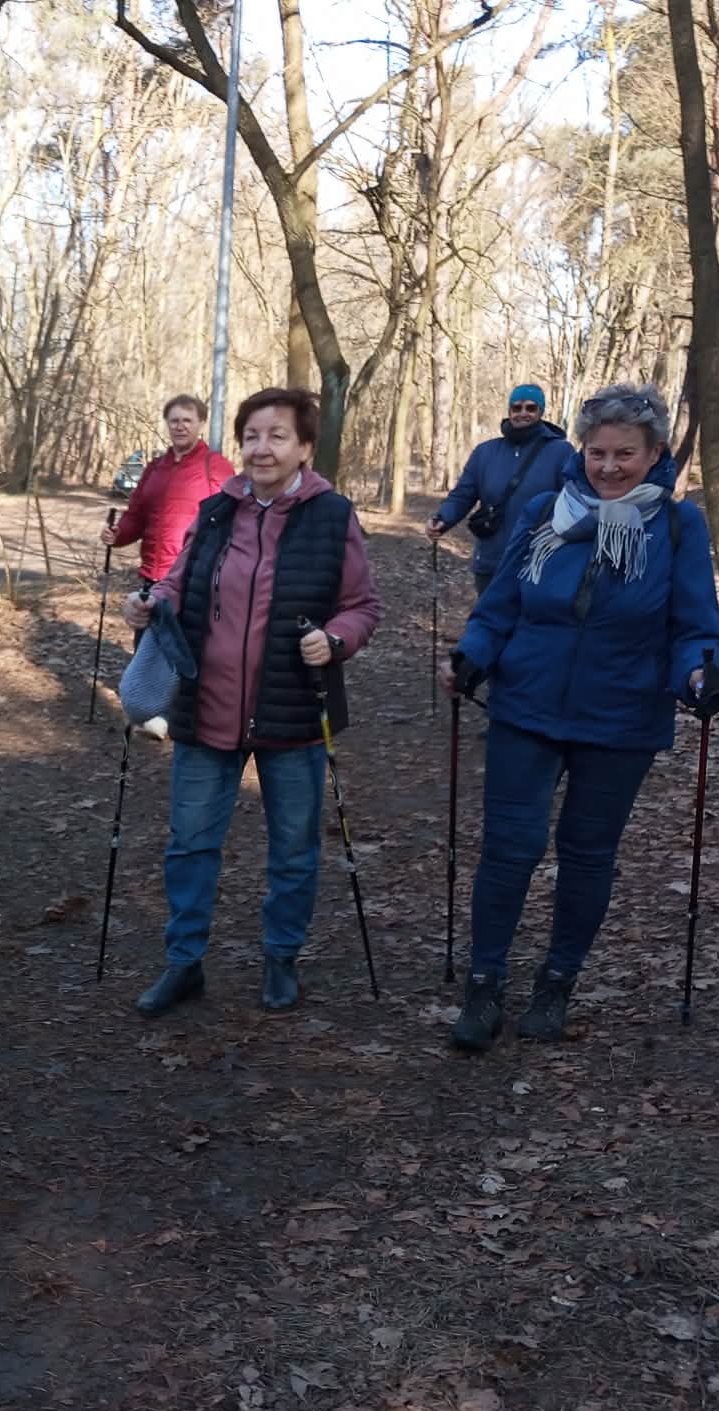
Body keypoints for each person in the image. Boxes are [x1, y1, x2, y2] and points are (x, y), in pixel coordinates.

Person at [437, 382, 719, 1052]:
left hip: (621, 716)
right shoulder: (546, 511)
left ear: (654, 454)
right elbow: (500, 607)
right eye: (597, 452)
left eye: (625, 454)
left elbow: (694, 626)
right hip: (527, 704)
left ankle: (556, 985)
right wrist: (471, 656)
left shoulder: (676, 526)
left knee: (588, 853)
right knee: (509, 848)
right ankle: (484, 985)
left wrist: (700, 673)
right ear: (581, 450)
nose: (608, 467)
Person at [122, 387, 382, 1017]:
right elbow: (176, 584)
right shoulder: (216, 511)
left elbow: (362, 606)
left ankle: (280, 958)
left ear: (305, 448)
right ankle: (184, 963)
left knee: (293, 848)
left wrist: (336, 639)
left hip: (293, 710)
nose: (261, 448)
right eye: (251, 436)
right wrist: (150, 603)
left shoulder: (332, 516)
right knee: (189, 844)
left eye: (277, 436)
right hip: (206, 706)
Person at [100, 395, 235, 738]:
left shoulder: (216, 467)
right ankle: (152, 711)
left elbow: (231, 519)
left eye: (187, 420)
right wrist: (117, 535)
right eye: (174, 420)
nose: (180, 426)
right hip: (152, 574)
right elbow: (136, 516)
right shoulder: (154, 469)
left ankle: (190, 715)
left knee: (188, 648)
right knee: (148, 647)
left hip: (194, 577)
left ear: (200, 423)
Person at [427, 384, 573, 597]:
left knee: (532, 617)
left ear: (541, 412)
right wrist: (443, 518)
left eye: (531, 408)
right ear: (509, 411)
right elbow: (463, 494)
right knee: (489, 616)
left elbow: (573, 502)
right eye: (517, 407)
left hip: (538, 563)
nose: (523, 413)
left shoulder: (561, 452)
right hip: (491, 562)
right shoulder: (485, 452)